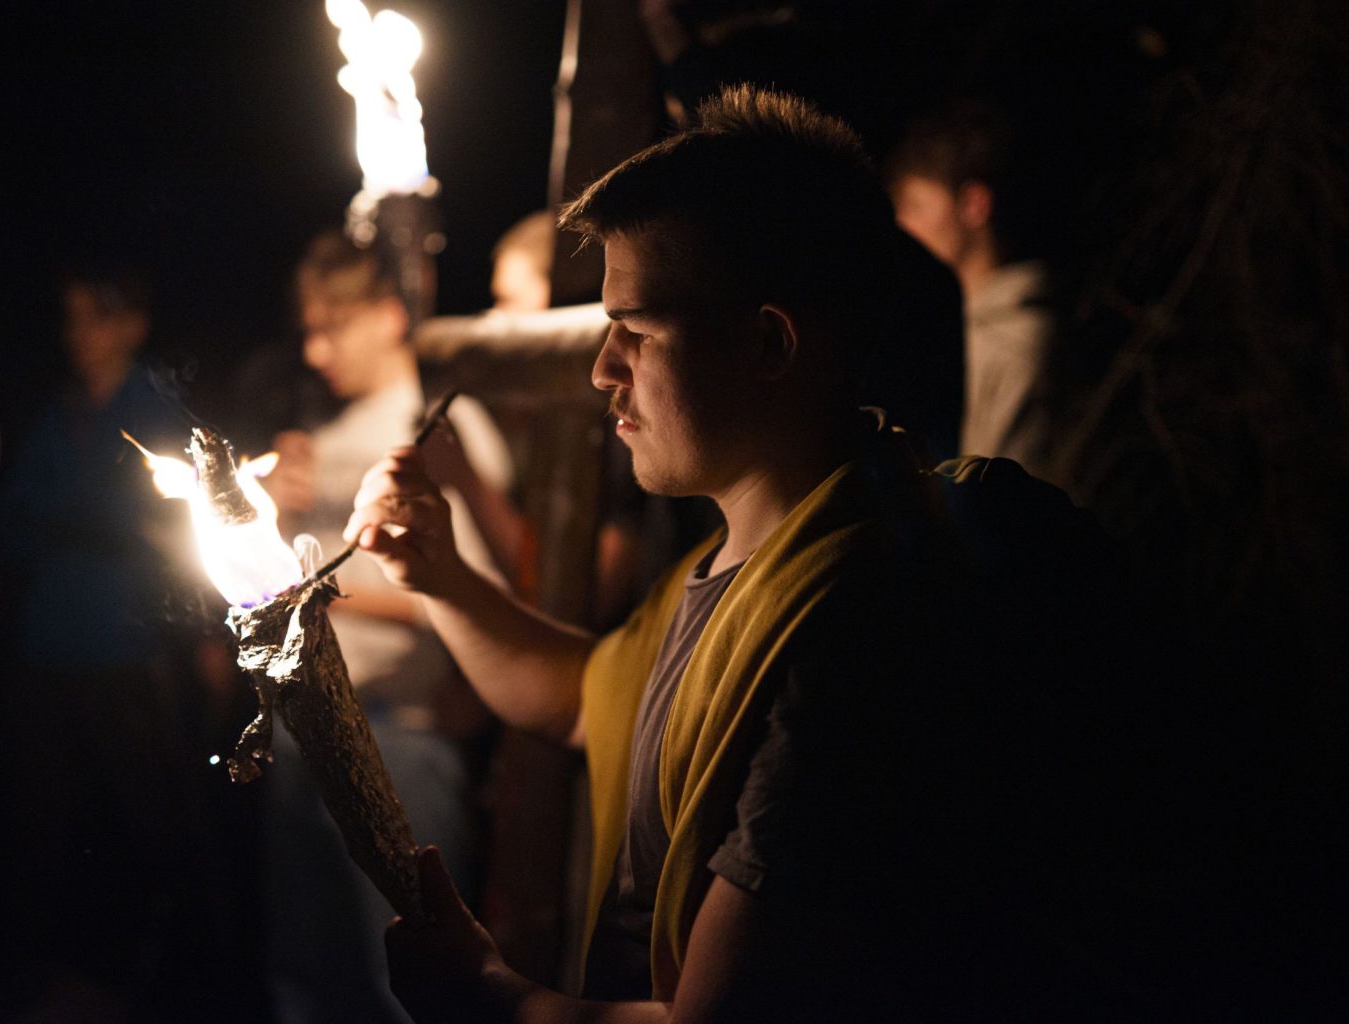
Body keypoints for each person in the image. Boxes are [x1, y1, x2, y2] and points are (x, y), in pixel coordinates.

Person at [344, 86, 1143, 1020]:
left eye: (638, 330)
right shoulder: (742, 566)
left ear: (768, 341)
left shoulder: (858, 624)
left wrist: (488, 995)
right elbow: (584, 699)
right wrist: (437, 574)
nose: (603, 369)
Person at [258, 230, 516, 1024]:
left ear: (389, 315)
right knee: (305, 967)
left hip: (397, 734)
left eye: (334, 326)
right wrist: (275, 517)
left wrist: (314, 593)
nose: (317, 350)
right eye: (308, 329)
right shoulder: (318, 442)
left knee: (407, 980)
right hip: (301, 731)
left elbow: (473, 593)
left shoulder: (436, 434)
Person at [0, 265, 196, 1009]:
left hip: (129, 645)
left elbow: (166, 522)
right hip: (50, 643)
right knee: (45, 818)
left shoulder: (155, 411)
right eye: (72, 318)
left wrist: (81, 518)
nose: (81, 335)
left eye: (97, 317)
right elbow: (9, 521)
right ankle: (51, 977)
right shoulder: (58, 413)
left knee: (139, 820)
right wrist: (95, 518)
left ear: (133, 325)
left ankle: (141, 981)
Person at [888, 100, 1061, 480]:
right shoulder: (967, 322)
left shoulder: (1016, 338)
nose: (904, 223)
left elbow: (1007, 487)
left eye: (916, 205)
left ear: (974, 204)